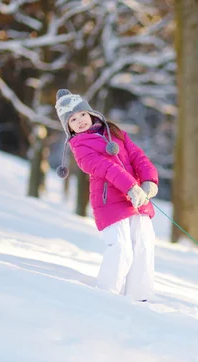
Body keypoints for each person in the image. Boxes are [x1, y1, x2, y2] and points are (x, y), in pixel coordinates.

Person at [54, 89, 158, 301]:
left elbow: (137, 155)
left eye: (82, 114)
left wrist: (148, 180)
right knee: (121, 248)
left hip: (137, 197)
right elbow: (106, 167)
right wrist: (130, 186)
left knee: (144, 243)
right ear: (69, 127)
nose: (80, 120)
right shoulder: (80, 146)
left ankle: (140, 295)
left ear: (90, 112)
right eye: (73, 119)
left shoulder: (114, 132)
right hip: (110, 201)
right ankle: (106, 294)